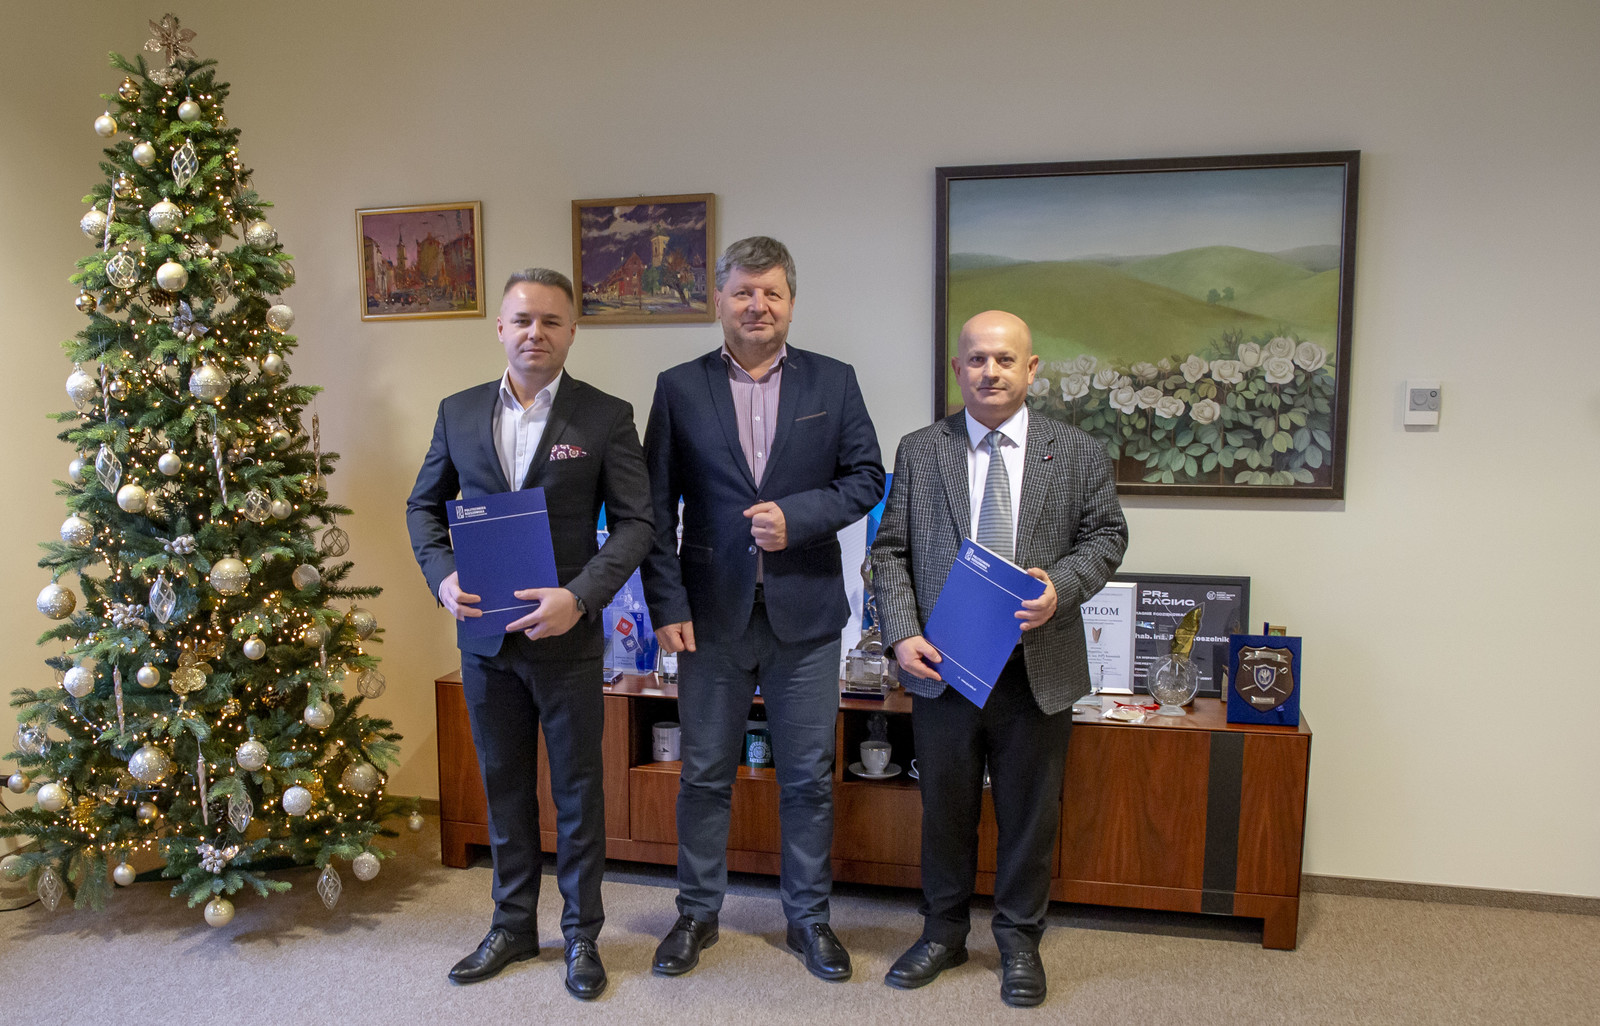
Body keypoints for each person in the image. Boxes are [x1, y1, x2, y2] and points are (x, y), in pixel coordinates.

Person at [640, 236, 884, 982]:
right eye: (743, 291)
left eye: (771, 292)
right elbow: (653, 508)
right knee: (704, 775)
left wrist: (799, 517)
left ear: (791, 302)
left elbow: (867, 477)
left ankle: (808, 919)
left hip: (805, 615)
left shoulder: (833, 381)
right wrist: (665, 604)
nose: (757, 305)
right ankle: (696, 913)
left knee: (807, 777)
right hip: (708, 618)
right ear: (718, 300)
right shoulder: (679, 387)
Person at [405, 268, 653, 999]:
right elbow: (423, 508)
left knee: (577, 794)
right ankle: (513, 926)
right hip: (485, 643)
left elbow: (636, 523)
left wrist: (580, 597)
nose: (534, 333)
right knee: (504, 788)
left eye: (550, 321)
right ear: (500, 329)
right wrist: (442, 577)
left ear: (572, 331)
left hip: (566, 640)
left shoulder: (605, 416)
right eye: (522, 320)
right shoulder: (457, 412)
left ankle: (581, 936)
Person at [870, 310, 1127, 1008]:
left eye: (1005, 360)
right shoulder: (921, 450)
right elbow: (890, 552)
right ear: (958, 369)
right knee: (945, 813)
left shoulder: (1076, 452)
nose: (991, 372)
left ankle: (1018, 942)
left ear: (1031, 368)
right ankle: (943, 935)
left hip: (1036, 670)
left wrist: (1059, 588)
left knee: (1029, 816)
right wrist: (901, 634)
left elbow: (1107, 537)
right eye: (977, 359)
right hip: (945, 667)